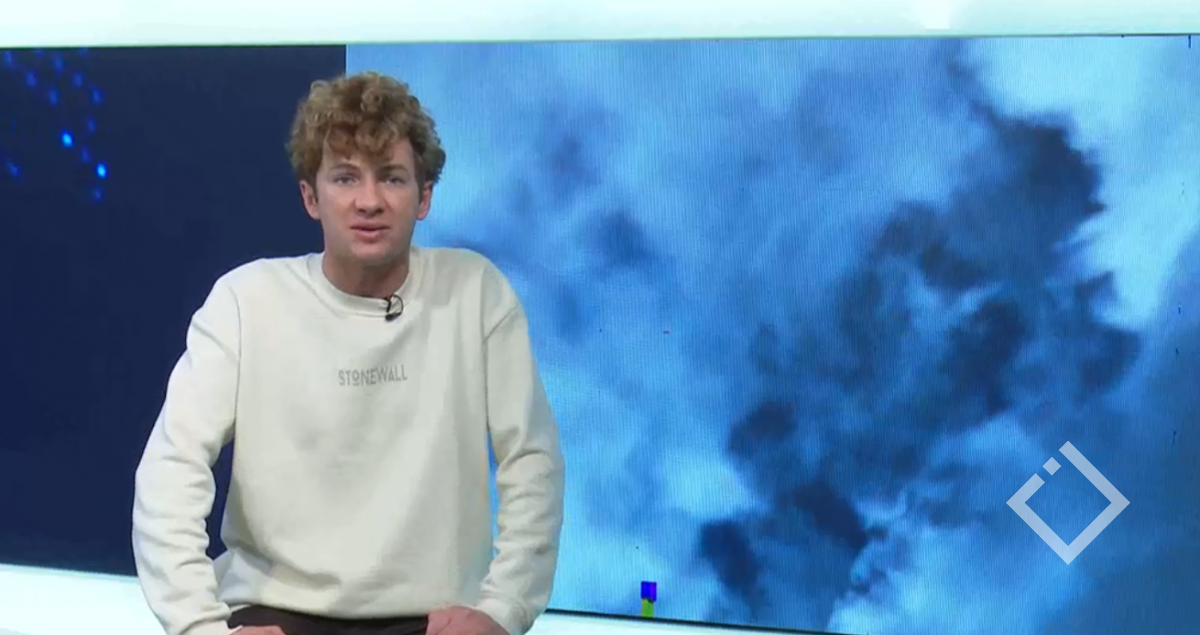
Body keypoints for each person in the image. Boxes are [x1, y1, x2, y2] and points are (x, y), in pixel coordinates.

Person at [130, 71, 566, 635]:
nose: (369, 201)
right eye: (345, 177)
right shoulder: (246, 301)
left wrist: (502, 611)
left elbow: (532, 462)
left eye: (392, 177)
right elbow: (171, 470)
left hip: (436, 620)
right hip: (274, 613)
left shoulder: (475, 293)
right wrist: (200, 628)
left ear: (424, 196)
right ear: (310, 197)